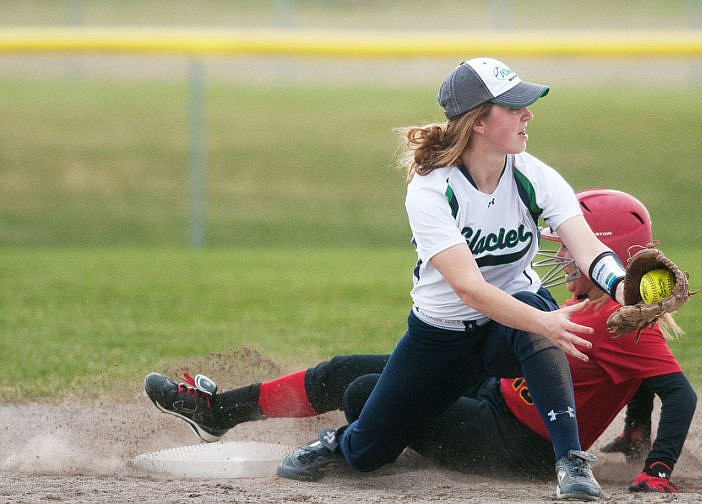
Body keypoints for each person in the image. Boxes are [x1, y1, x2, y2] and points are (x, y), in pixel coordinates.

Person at [147, 56, 652, 500]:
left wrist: (628, 288)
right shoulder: (433, 188)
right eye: (513, 106)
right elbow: (469, 289)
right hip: (442, 337)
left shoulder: (534, 175)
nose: (528, 114)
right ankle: (335, 441)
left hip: (503, 330)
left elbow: (589, 250)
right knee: (366, 448)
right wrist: (545, 324)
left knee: (534, 314)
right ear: (478, 121)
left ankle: (570, 464)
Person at [144, 188, 696, 494]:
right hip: (492, 395)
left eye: (571, 247)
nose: (559, 254)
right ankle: (219, 412)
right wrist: (635, 432)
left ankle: (355, 452)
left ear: (610, 250)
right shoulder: (591, 307)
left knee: (365, 394)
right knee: (345, 372)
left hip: (519, 446)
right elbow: (634, 379)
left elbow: (676, 389)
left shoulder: (623, 322)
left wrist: (658, 467)